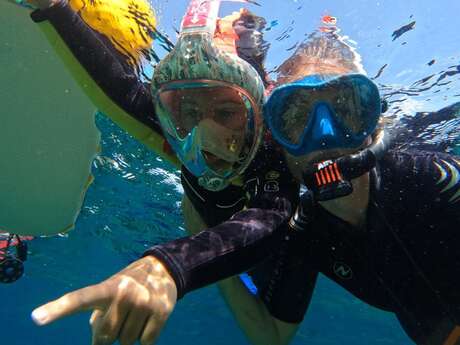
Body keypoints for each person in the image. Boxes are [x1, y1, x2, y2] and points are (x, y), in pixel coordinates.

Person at [33, 27, 460, 345]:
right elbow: (265, 226)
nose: (324, 136)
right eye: (295, 115)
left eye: (348, 109)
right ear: (275, 136)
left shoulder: (429, 178)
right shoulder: (305, 227)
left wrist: (172, 264)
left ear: (376, 123)